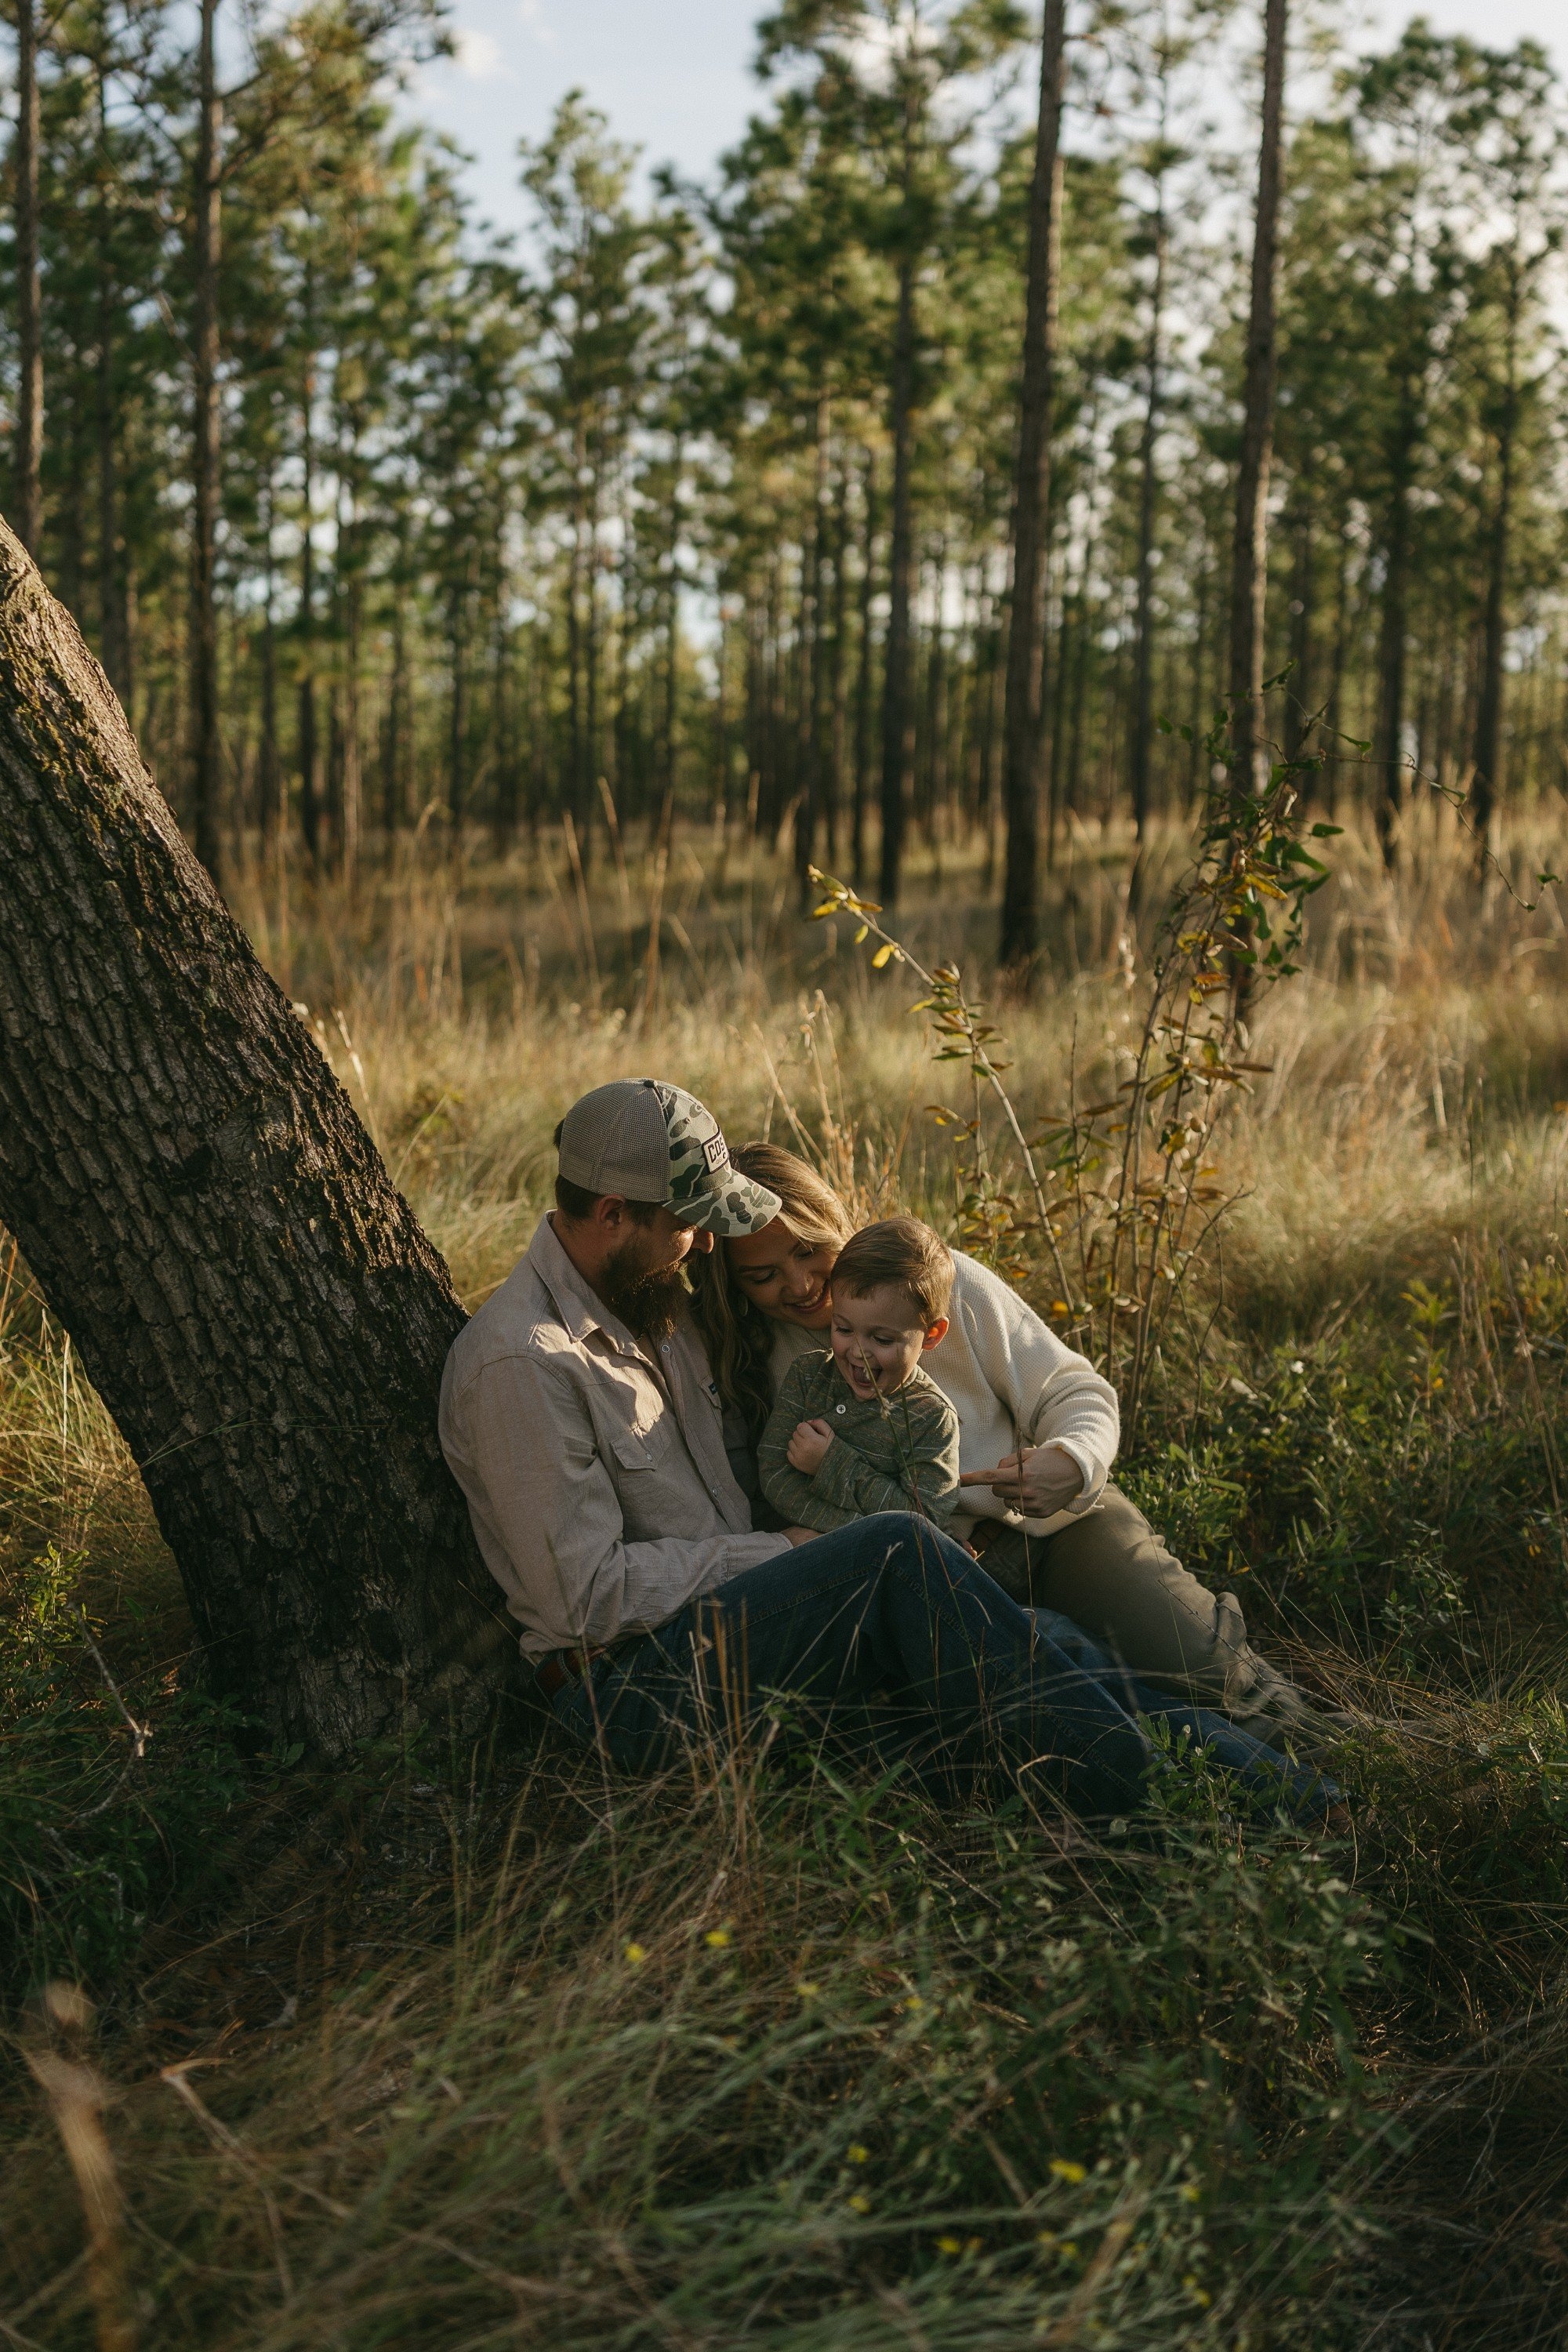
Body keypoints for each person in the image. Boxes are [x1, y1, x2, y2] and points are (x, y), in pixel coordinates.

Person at [439, 1078, 1337, 1825]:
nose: (706, 1246)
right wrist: (794, 1553)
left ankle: (1296, 1799)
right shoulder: (521, 1364)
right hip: (633, 1685)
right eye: (691, 1225)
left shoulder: (659, 1315)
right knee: (897, 1551)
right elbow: (586, 1600)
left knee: (1044, 1644)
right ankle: (1221, 1824)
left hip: (754, 1623)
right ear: (610, 1214)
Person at [688, 1141, 1339, 1756]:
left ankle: (1351, 1754)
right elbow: (784, 1495)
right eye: (763, 1276)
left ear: (830, 1221)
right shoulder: (761, 1365)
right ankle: (1248, 1798)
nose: (800, 1285)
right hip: (937, 1584)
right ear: (735, 1285)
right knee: (1096, 1722)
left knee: (1204, 1670)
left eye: (808, 1251)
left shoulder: (937, 1282)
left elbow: (1071, 1389)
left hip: (1052, 1528)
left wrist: (1072, 1460)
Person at [758, 1214, 961, 1535]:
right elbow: (773, 1475)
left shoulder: (931, 1418)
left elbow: (921, 1521)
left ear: (932, 1334)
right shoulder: (807, 1376)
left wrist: (831, 1463)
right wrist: (853, 1528)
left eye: (881, 1339)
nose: (858, 1352)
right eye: (843, 1329)